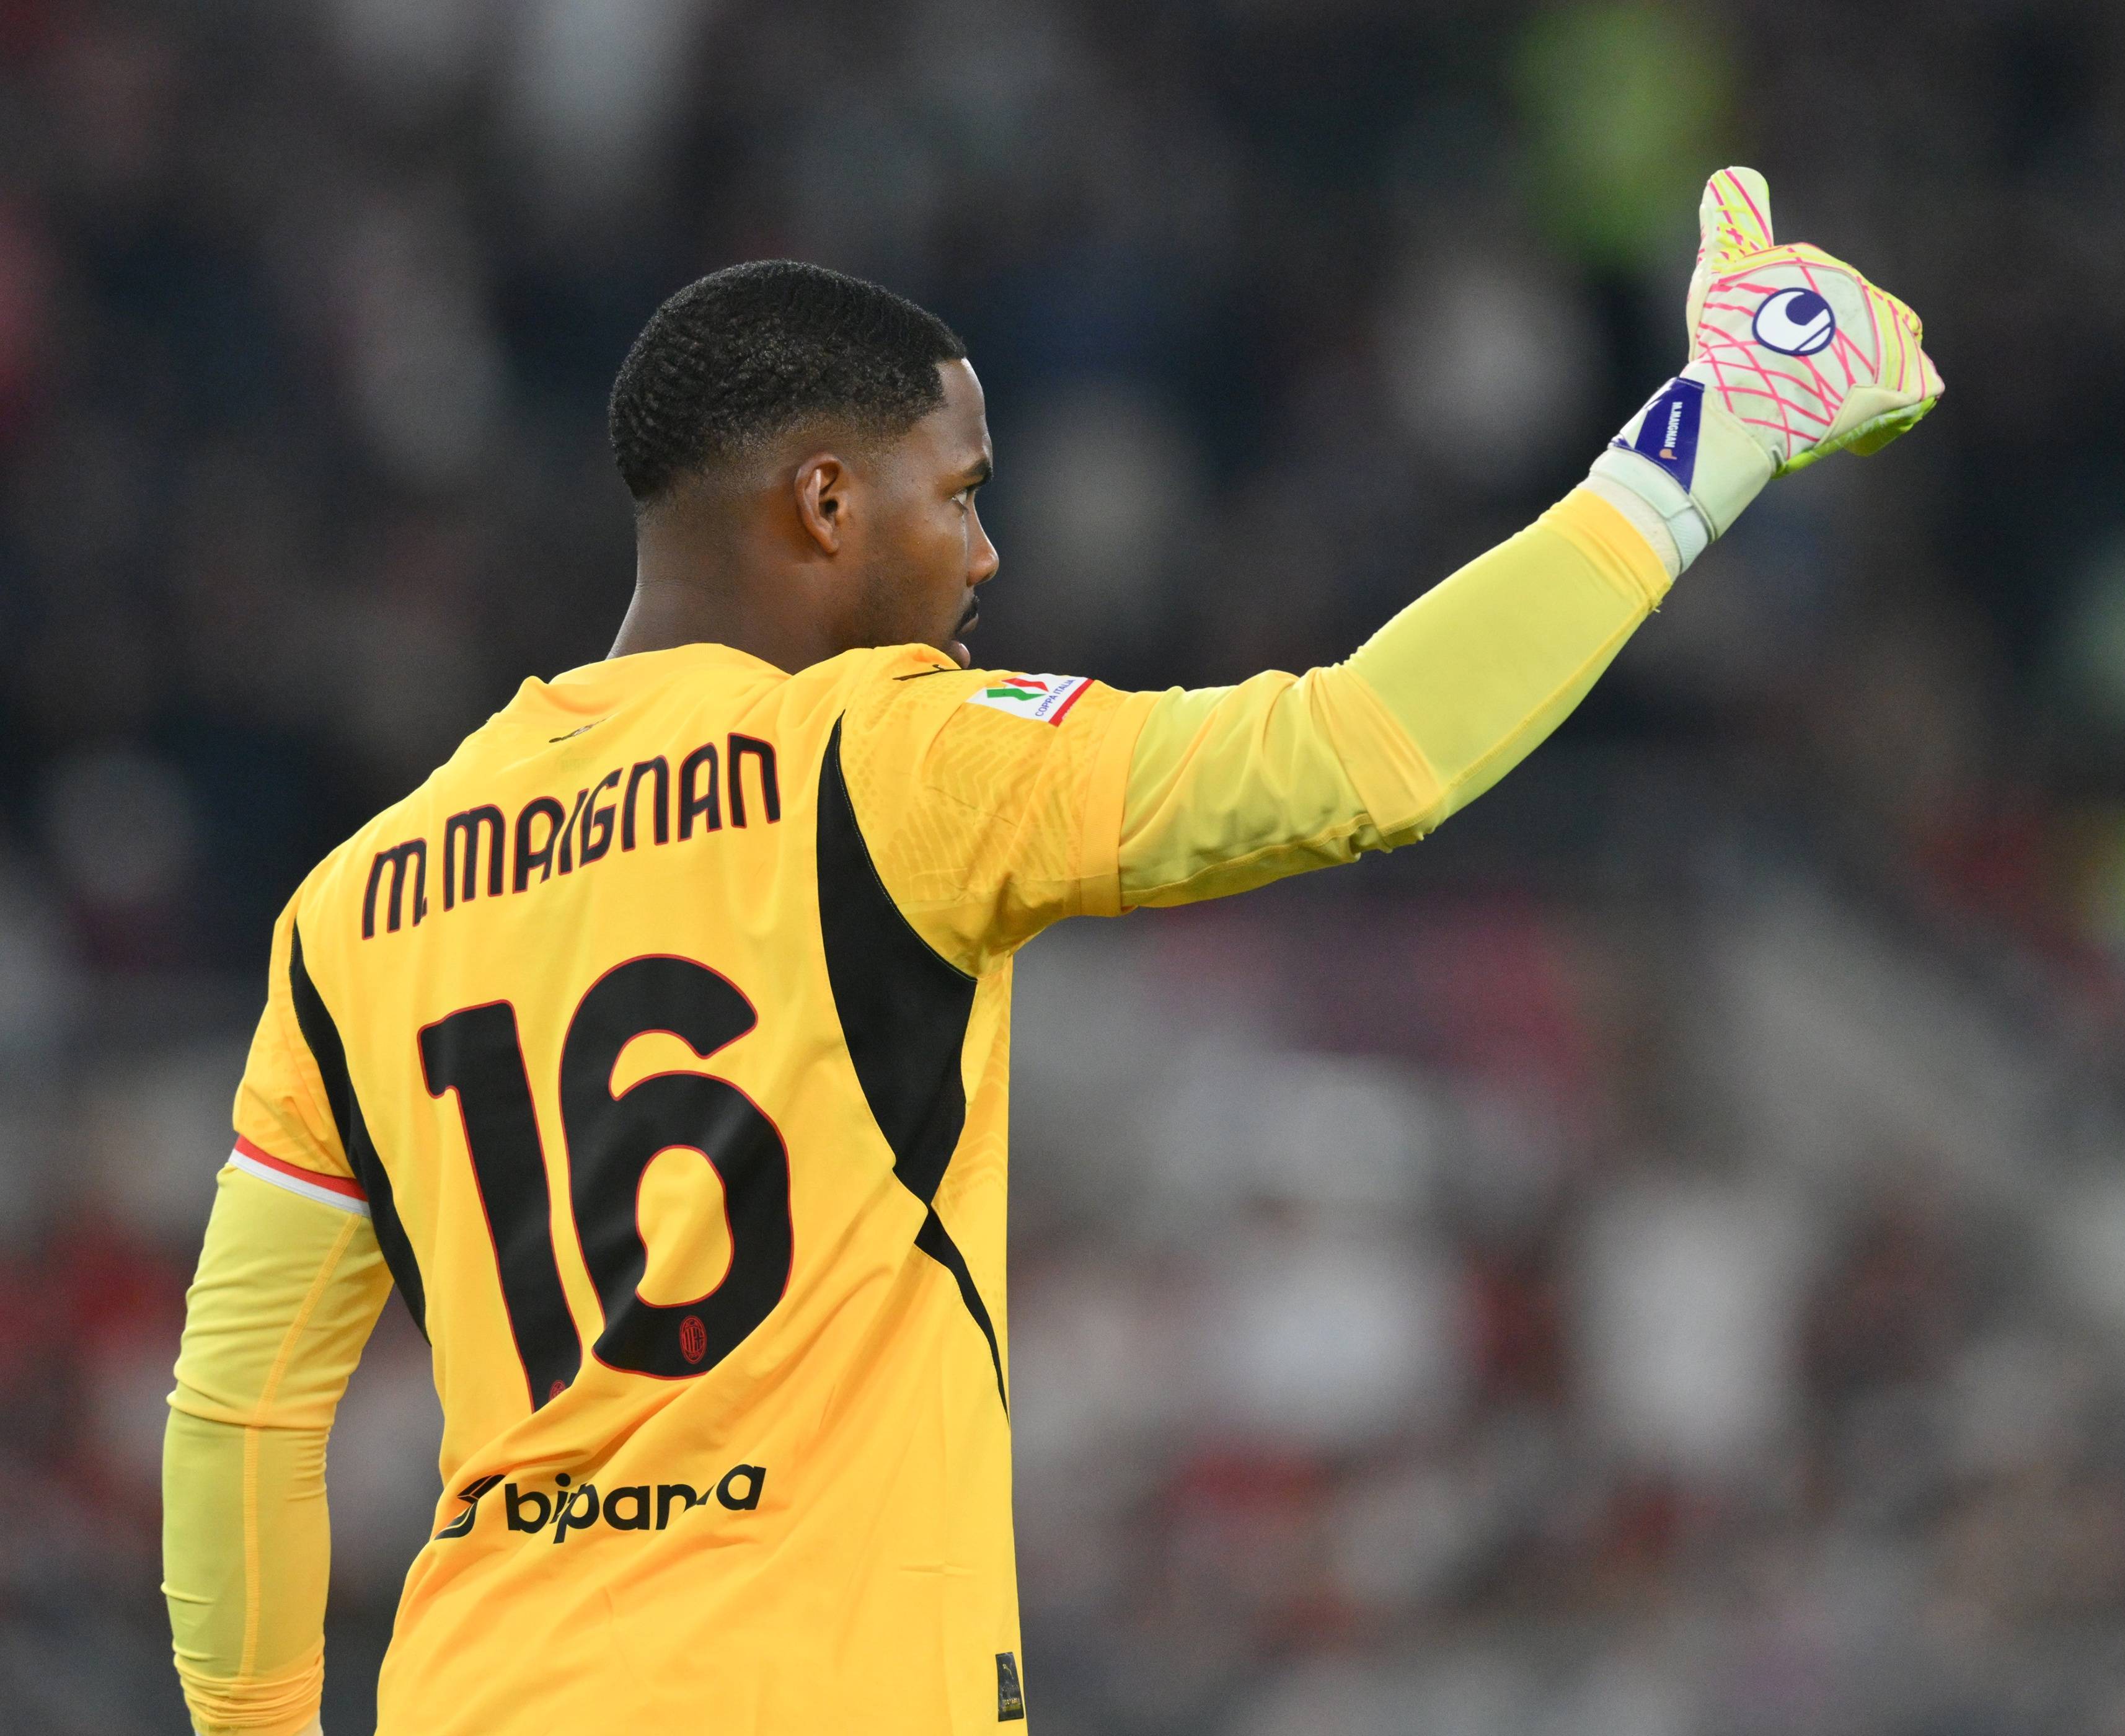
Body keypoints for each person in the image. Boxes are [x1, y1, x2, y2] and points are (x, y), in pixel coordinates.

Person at [161, 166, 1939, 1735]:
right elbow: (1363, 756)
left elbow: (239, 1412)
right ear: (828, 503)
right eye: (958, 493)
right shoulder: (891, 760)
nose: (988, 551)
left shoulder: (357, 901)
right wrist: (1710, 436)